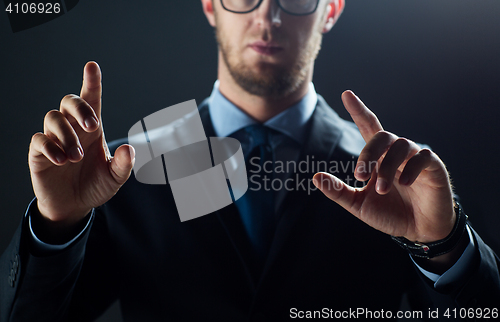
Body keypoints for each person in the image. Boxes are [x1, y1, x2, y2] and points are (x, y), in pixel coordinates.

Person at [1, 0, 499, 321]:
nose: (269, 17)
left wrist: (446, 245)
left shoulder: (398, 180)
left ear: (331, 9)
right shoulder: (127, 169)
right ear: (211, 5)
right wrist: (56, 226)